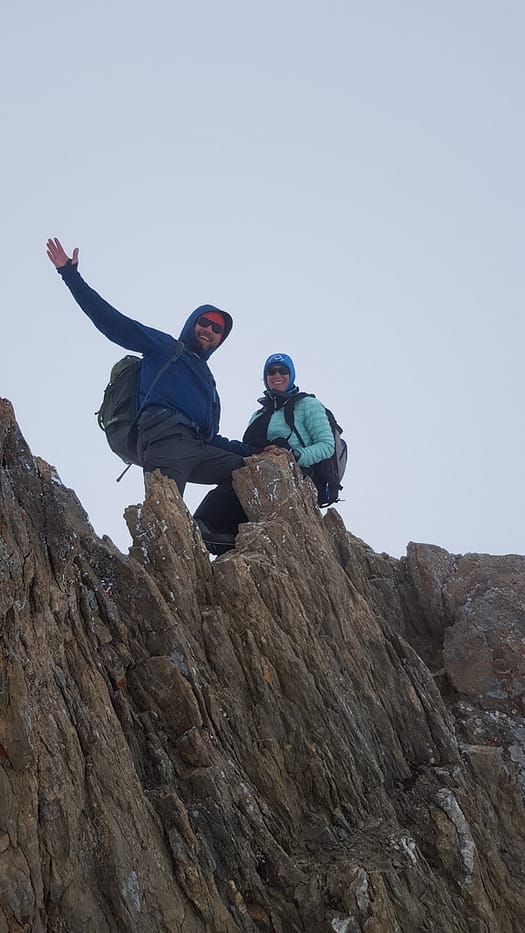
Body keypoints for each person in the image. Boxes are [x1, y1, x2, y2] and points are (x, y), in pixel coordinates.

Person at [46, 237, 253, 548]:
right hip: (164, 439)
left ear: (220, 339)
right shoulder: (166, 347)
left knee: (247, 472)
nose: (209, 330)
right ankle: (161, 562)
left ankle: (208, 527)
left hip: (198, 448)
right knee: (167, 526)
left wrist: (253, 452)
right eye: (205, 322)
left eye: (217, 329)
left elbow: (212, 438)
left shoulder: (210, 385)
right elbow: (114, 323)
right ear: (192, 324)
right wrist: (70, 275)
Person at [193, 352, 335, 550]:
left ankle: (210, 527)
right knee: (233, 476)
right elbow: (249, 448)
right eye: (271, 371)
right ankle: (216, 534)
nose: (277, 375)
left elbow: (327, 445)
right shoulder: (259, 414)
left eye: (283, 370)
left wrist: (294, 455)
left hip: (295, 474)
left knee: (243, 481)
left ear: (291, 375)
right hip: (259, 470)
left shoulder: (307, 405)